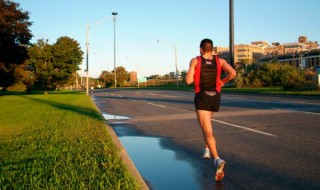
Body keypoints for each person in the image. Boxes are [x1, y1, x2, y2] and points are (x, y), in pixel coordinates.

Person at [186, 38, 236, 182]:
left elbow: (188, 81)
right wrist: (223, 81)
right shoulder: (220, 61)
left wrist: (192, 71)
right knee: (207, 125)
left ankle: (217, 159)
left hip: (202, 97)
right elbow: (232, 73)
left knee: (207, 129)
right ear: (212, 49)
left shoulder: (195, 60)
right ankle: (206, 150)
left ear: (201, 49)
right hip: (215, 98)